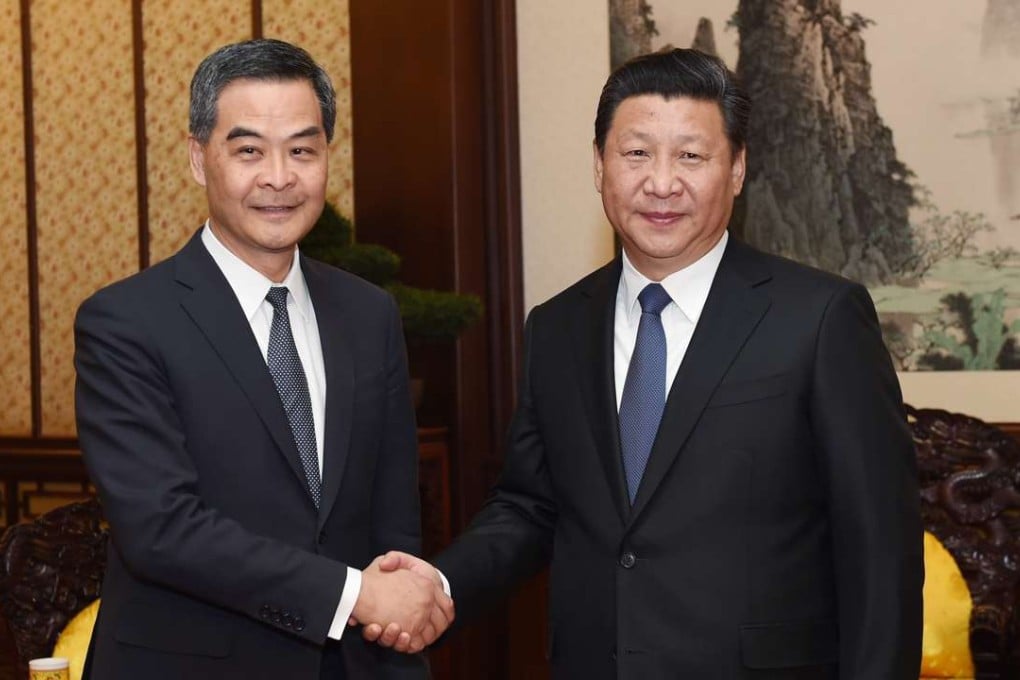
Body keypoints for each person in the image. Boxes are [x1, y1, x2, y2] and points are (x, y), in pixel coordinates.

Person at [374, 48, 923, 678]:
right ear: (599, 165)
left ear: (738, 169)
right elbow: (531, 505)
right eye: (636, 154)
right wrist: (443, 586)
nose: (662, 183)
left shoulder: (821, 318)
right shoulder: (557, 327)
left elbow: (881, 550)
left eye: (691, 155)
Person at [74, 38, 452, 680]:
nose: (279, 177)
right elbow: (161, 529)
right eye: (248, 150)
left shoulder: (368, 314)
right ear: (199, 159)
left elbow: (393, 524)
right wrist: (354, 595)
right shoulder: (125, 323)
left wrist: (401, 615)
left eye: (302, 149)